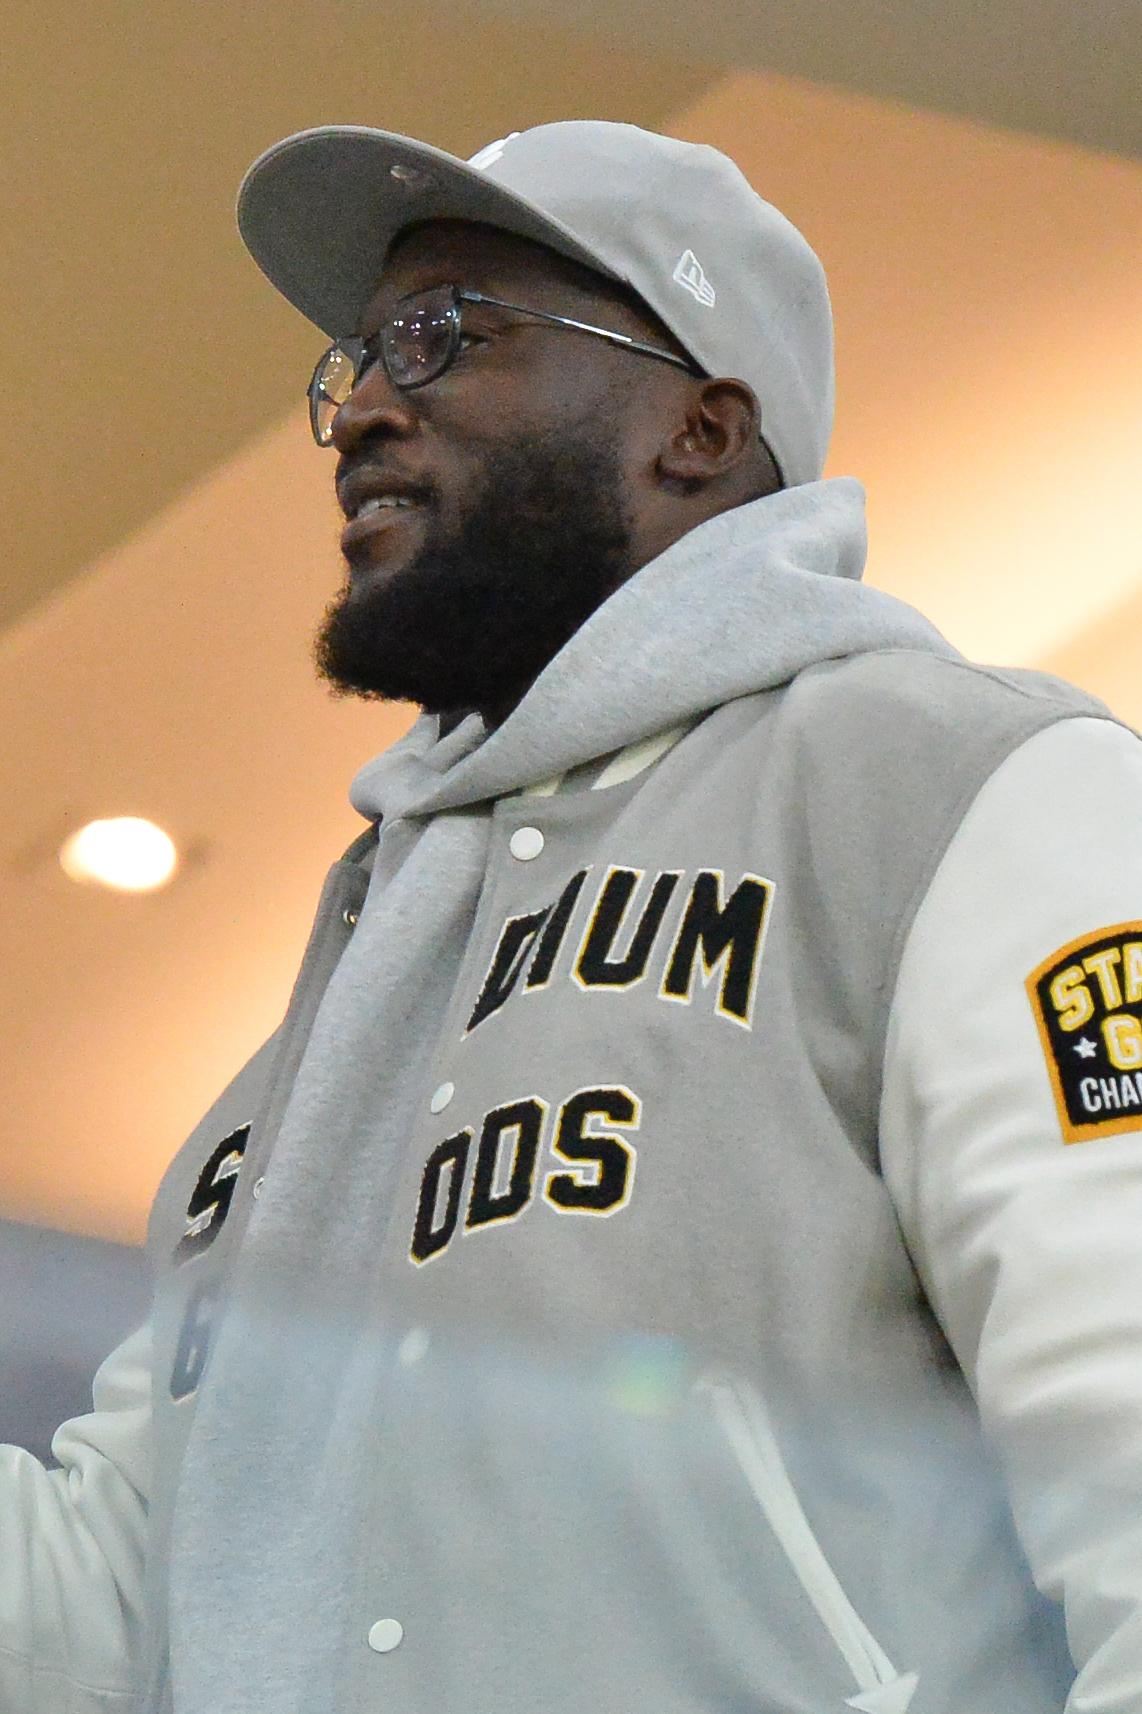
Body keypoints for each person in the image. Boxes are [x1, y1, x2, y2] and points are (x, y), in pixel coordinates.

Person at [3, 118, 1141, 1714]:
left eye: (447, 333)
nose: (364, 409)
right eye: (357, 360)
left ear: (696, 426)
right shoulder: (309, 1059)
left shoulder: (949, 787)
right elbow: (123, 1613)